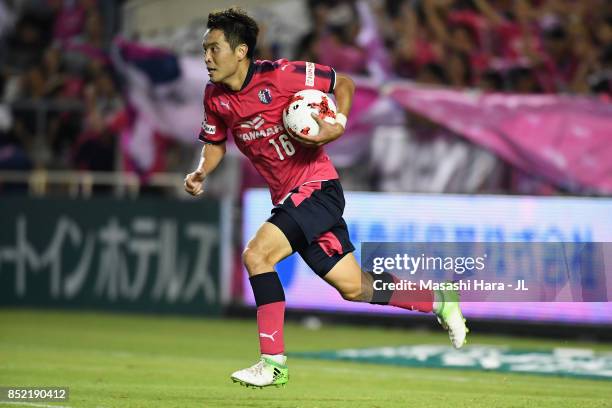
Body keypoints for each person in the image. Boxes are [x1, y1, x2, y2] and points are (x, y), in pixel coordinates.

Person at [184, 7, 468, 389]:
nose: (206, 57)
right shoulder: (215, 98)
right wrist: (203, 170)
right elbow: (215, 144)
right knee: (354, 287)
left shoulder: (282, 75)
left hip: (318, 189)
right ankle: (438, 299)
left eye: (214, 48)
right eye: (204, 49)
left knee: (257, 255)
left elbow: (344, 83)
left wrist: (337, 125)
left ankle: (273, 362)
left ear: (241, 51)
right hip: (292, 198)